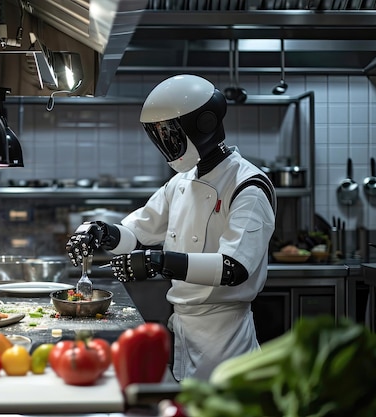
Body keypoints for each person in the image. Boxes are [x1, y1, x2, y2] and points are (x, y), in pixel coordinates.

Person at [65, 74, 276, 381]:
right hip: (183, 332)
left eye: (170, 132)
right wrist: (99, 232)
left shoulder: (248, 185)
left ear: (203, 125)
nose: (165, 142)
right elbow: (137, 234)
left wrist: (159, 262)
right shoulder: (181, 181)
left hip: (226, 342)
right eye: (159, 134)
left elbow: (234, 267)